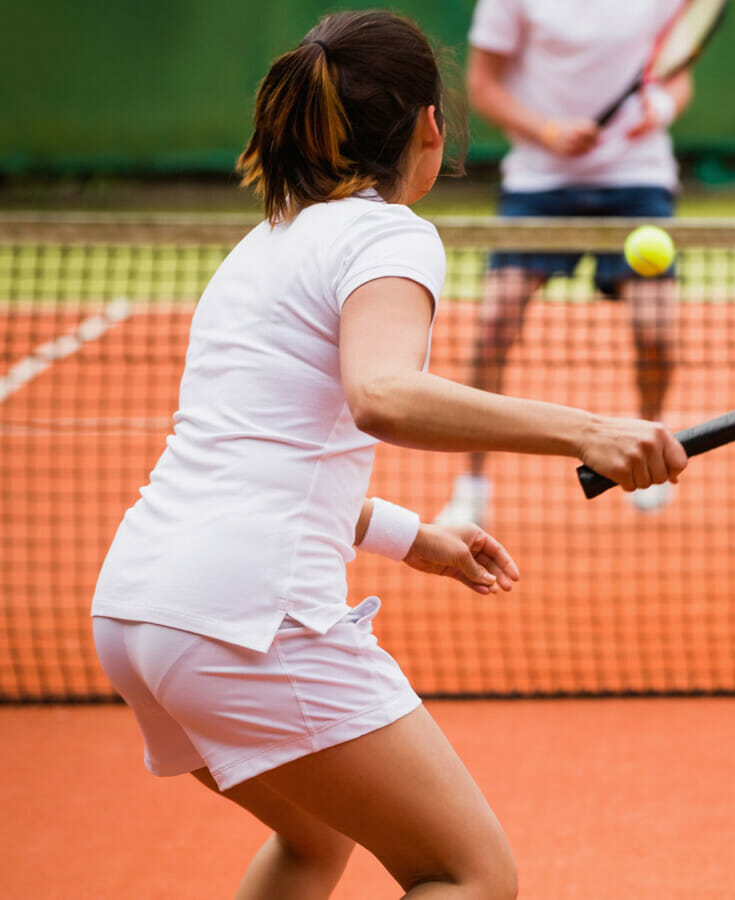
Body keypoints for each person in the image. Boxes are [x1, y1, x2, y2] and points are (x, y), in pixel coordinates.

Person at [89, 11, 685, 899]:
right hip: (247, 620)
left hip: (139, 612)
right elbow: (383, 395)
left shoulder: (265, 244)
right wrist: (588, 429)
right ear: (429, 127)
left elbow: (264, 455)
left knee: (316, 841)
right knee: (468, 874)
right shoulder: (389, 235)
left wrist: (414, 536)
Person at [434, 0, 693, 522]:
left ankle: (646, 441)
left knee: (656, 333)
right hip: (540, 182)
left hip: (635, 181)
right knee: (493, 326)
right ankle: (472, 486)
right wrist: (548, 131)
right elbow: (484, 85)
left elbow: (675, 74)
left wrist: (659, 110)